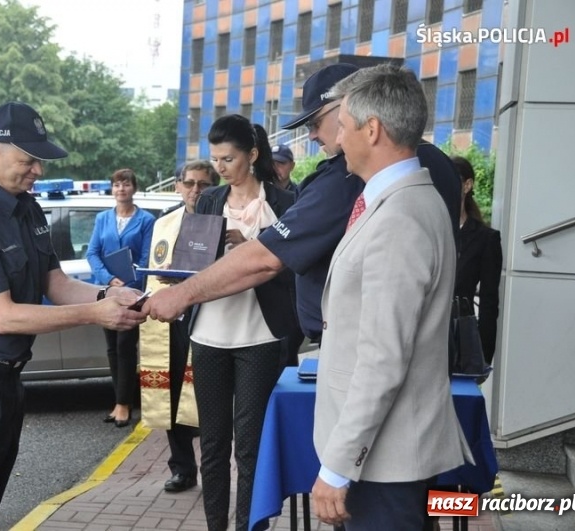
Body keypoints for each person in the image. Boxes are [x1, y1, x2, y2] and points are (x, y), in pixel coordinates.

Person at [0, 101, 147, 531]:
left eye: (38, 160)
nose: (37, 170)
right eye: (28, 160)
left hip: (5, 378)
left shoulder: (27, 208)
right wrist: (95, 313)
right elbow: (3, 317)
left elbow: (53, 282)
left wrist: (112, 293)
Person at [146, 63, 460, 348]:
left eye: (316, 121)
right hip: (423, 344)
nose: (311, 136)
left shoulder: (345, 177)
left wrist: (183, 294)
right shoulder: (435, 162)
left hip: (366, 346)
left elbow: (266, 258)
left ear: (352, 112)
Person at [309, 64, 471, 530]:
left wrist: (338, 466)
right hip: (384, 455)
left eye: (341, 125)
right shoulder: (395, 201)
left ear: (372, 129)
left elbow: (383, 358)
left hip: (384, 462)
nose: (336, 139)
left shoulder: (400, 215)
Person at [179, 115, 298, 531]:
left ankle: (251, 525)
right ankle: (216, 526)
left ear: (252, 154)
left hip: (260, 336)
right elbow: (189, 262)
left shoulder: (284, 203)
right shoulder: (209, 200)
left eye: (228, 158)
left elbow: (297, 268)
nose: (221, 167)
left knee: (250, 445)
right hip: (208, 333)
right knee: (212, 442)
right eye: (215, 159)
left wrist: (251, 248)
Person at [141, 160, 220, 493]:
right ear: (177, 185)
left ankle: (217, 469)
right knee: (171, 392)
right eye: (189, 183)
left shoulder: (222, 221)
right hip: (170, 322)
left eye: (203, 184)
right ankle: (182, 468)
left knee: (212, 398)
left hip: (212, 318)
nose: (195, 190)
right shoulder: (164, 223)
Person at [86, 168, 155, 427]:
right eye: (116, 185)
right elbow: (92, 253)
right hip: (106, 291)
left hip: (133, 292)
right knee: (112, 348)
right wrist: (109, 279)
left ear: (133, 188)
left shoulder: (146, 219)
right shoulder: (103, 218)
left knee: (126, 347)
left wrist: (127, 282)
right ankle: (118, 401)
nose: (121, 189)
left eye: (126, 184)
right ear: (111, 189)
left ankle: (125, 404)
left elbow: (147, 257)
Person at [452, 155, 502, 364]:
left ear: (467, 185)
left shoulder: (486, 239)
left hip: (460, 339)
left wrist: (483, 355)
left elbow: (489, 303)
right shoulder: (428, 230)